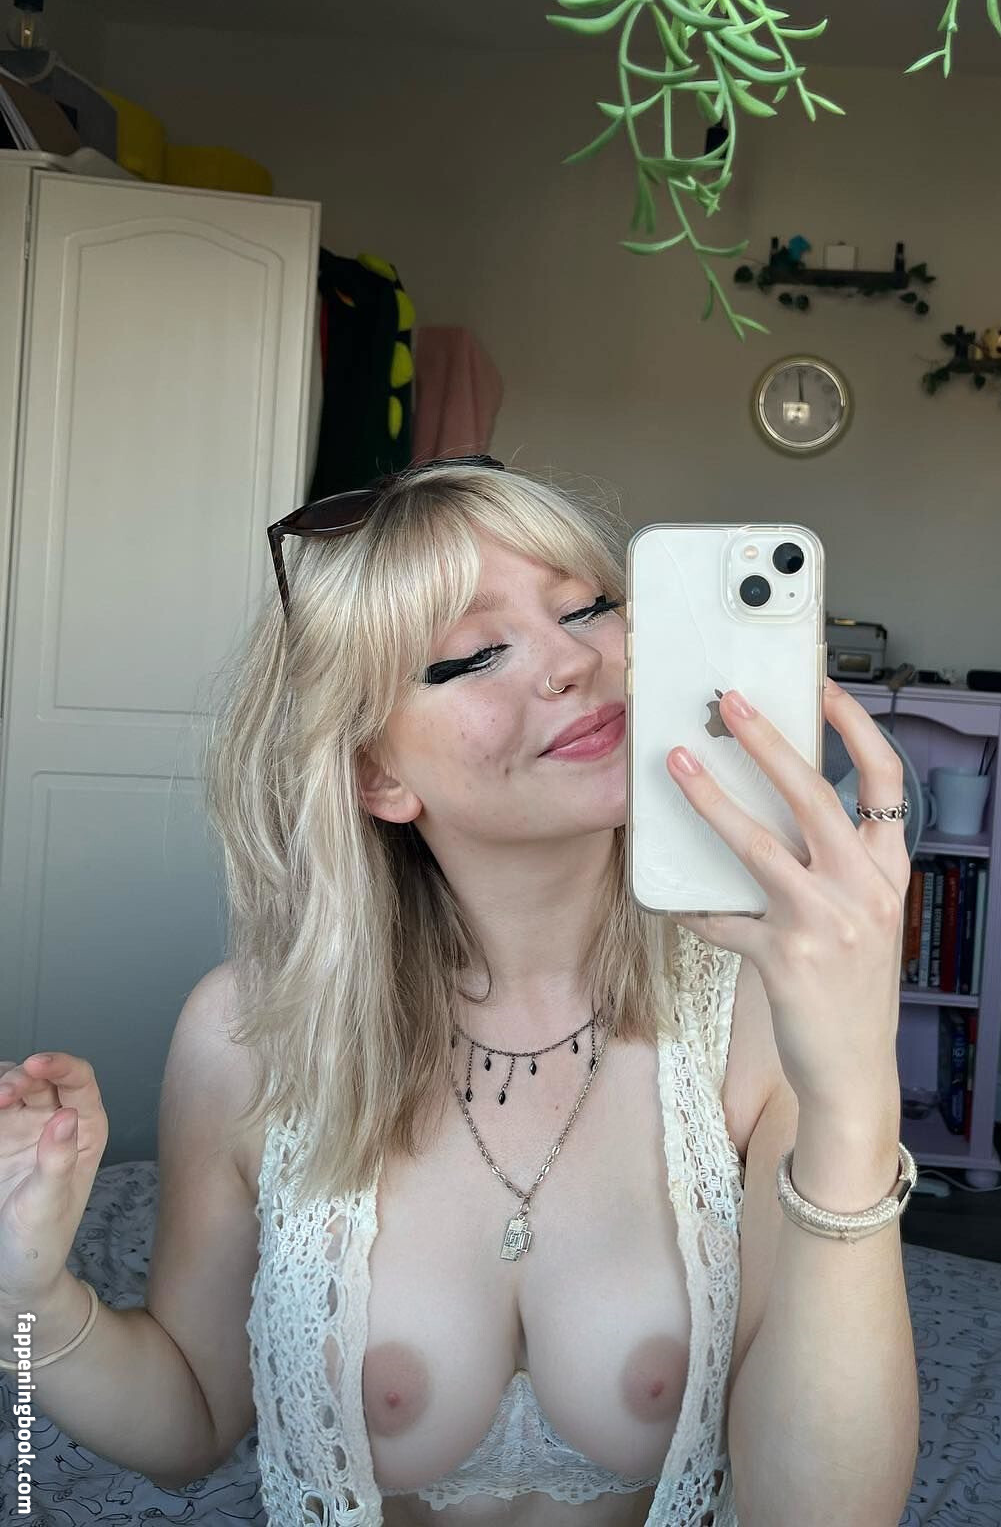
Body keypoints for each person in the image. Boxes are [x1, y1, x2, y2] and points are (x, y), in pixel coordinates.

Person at [0, 455, 914, 1526]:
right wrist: (28, 1297)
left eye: (589, 608)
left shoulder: (761, 1012)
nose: (573, 661)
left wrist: (854, 1086)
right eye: (473, 654)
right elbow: (191, 1423)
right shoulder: (247, 1035)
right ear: (377, 774)